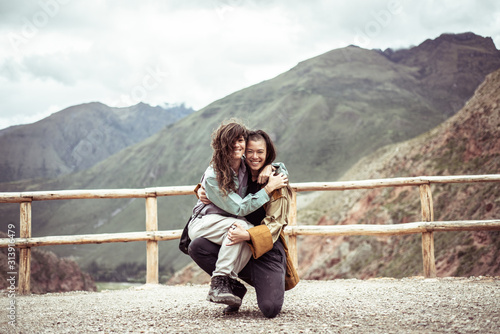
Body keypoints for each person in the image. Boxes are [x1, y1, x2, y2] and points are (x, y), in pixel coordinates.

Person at [190, 129, 299, 318]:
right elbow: (218, 182)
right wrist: (201, 189)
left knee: (270, 309)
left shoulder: (277, 183)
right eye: (250, 151)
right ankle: (232, 286)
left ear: (268, 154)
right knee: (198, 246)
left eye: (260, 153)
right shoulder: (241, 171)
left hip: (267, 250)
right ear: (243, 153)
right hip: (239, 243)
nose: (254, 157)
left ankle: (262, 281)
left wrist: (248, 235)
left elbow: (275, 226)